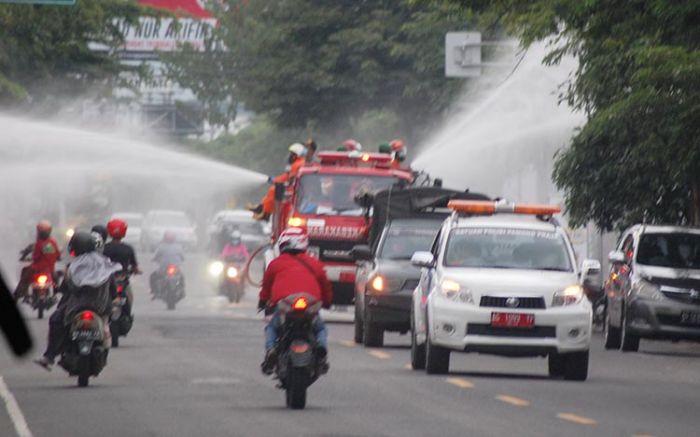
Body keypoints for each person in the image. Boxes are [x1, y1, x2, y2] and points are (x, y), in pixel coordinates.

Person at [34, 231, 121, 370]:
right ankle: (103, 355)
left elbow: (66, 287)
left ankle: (49, 356)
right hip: (101, 307)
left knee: (56, 320)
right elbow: (113, 289)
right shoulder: (105, 263)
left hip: (76, 307)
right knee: (106, 327)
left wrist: (58, 290)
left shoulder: (73, 267)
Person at [258, 227, 332, 375]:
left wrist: (263, 302)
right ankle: (321, 349)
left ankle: (271, 349)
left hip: (286, 305)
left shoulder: (275, 264)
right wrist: (327, 302)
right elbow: (326, 288)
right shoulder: (315, 264)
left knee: (272, 327)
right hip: (310, 305)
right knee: (320, 328)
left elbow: (266, 289)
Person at [250, 143, 307, 221]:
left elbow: (290, 180)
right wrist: (275, 180)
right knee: (273, 189)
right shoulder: (301, 163)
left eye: (291, 154)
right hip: (299, 190)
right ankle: (261, 208)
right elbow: (286, 177)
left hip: (294, 191)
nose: (289, 156)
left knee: (274, 190)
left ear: (295, 155)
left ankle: (265, 213)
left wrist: (275, 181)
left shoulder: (296, 165)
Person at [14, 221, 61, 301]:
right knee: (55, 279)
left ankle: (19, 295)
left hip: (36, 268)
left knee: (24, 276)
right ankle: (56, 292)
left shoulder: (39, 243)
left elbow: (35, 256)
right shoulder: (53, 242)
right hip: (50, 269)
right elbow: (58, 255)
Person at [103, 219, 141, 313]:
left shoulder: (103, 248)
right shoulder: (128, 249)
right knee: (129, 296)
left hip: (106, 280)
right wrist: (136, 271)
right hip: (123, 280)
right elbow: (134, 266)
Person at [150, 231, 185, 299]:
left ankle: (154, 291)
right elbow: (182, 257)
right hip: (175, 268)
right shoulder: (178, 246)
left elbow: (155, 256)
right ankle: (182, 290)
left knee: (153, 276)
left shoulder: (161, 246)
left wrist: (154, 259)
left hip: (164, 268)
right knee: (181, 277)